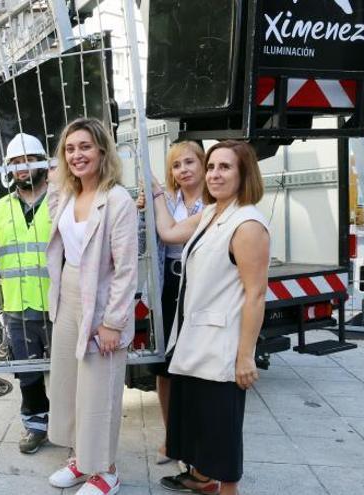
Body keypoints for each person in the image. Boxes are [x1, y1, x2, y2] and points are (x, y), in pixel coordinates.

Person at [150, 141, 269, 495]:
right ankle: (201, 479)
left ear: (244, 173)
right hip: (197, 338)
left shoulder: (247, 224)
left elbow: (256, 294)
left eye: (225, 167)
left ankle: (224, 487)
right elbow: (169, 232)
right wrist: (157, 193)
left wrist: (245, 355)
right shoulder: (212, 213)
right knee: (200, 420)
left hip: (222, 346)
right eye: (213, 166)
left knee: (221, 431)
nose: (215, 174)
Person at [45, 118, 137, 495]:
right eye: (70, 148)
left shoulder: (118, 200)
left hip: (101, 300)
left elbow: (127, 267)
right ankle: (82, 460)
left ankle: (107, 471)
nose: (77, 155)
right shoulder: (67, 194)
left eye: (85, 146)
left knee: (100, 388)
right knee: (69, 383)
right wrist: (57, 175)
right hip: (68, 294)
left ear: (102, 150)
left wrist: (113, 322)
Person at [0, 133, 53, 454]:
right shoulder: (0, 207)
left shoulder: (61, 199)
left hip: (58, 302)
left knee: (67, 374)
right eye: (16, 163)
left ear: (43, 162)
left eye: (29, 160)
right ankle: (36, 426)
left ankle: (73, 430)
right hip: (18, 305)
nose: (22, 168)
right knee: (28, 374)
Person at [136, 140, 206, 462]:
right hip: (168, 283)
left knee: (194, 369)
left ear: (203, 163)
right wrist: (143, 210)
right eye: (177, 165)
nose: (183, 170)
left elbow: (173, 232)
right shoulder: (170, 197)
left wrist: (156, 198)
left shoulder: (213, 202)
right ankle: (170, 438)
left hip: (199, 287)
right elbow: (148, 238)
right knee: (164, 368)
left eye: (189, 162)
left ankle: (194, 440)